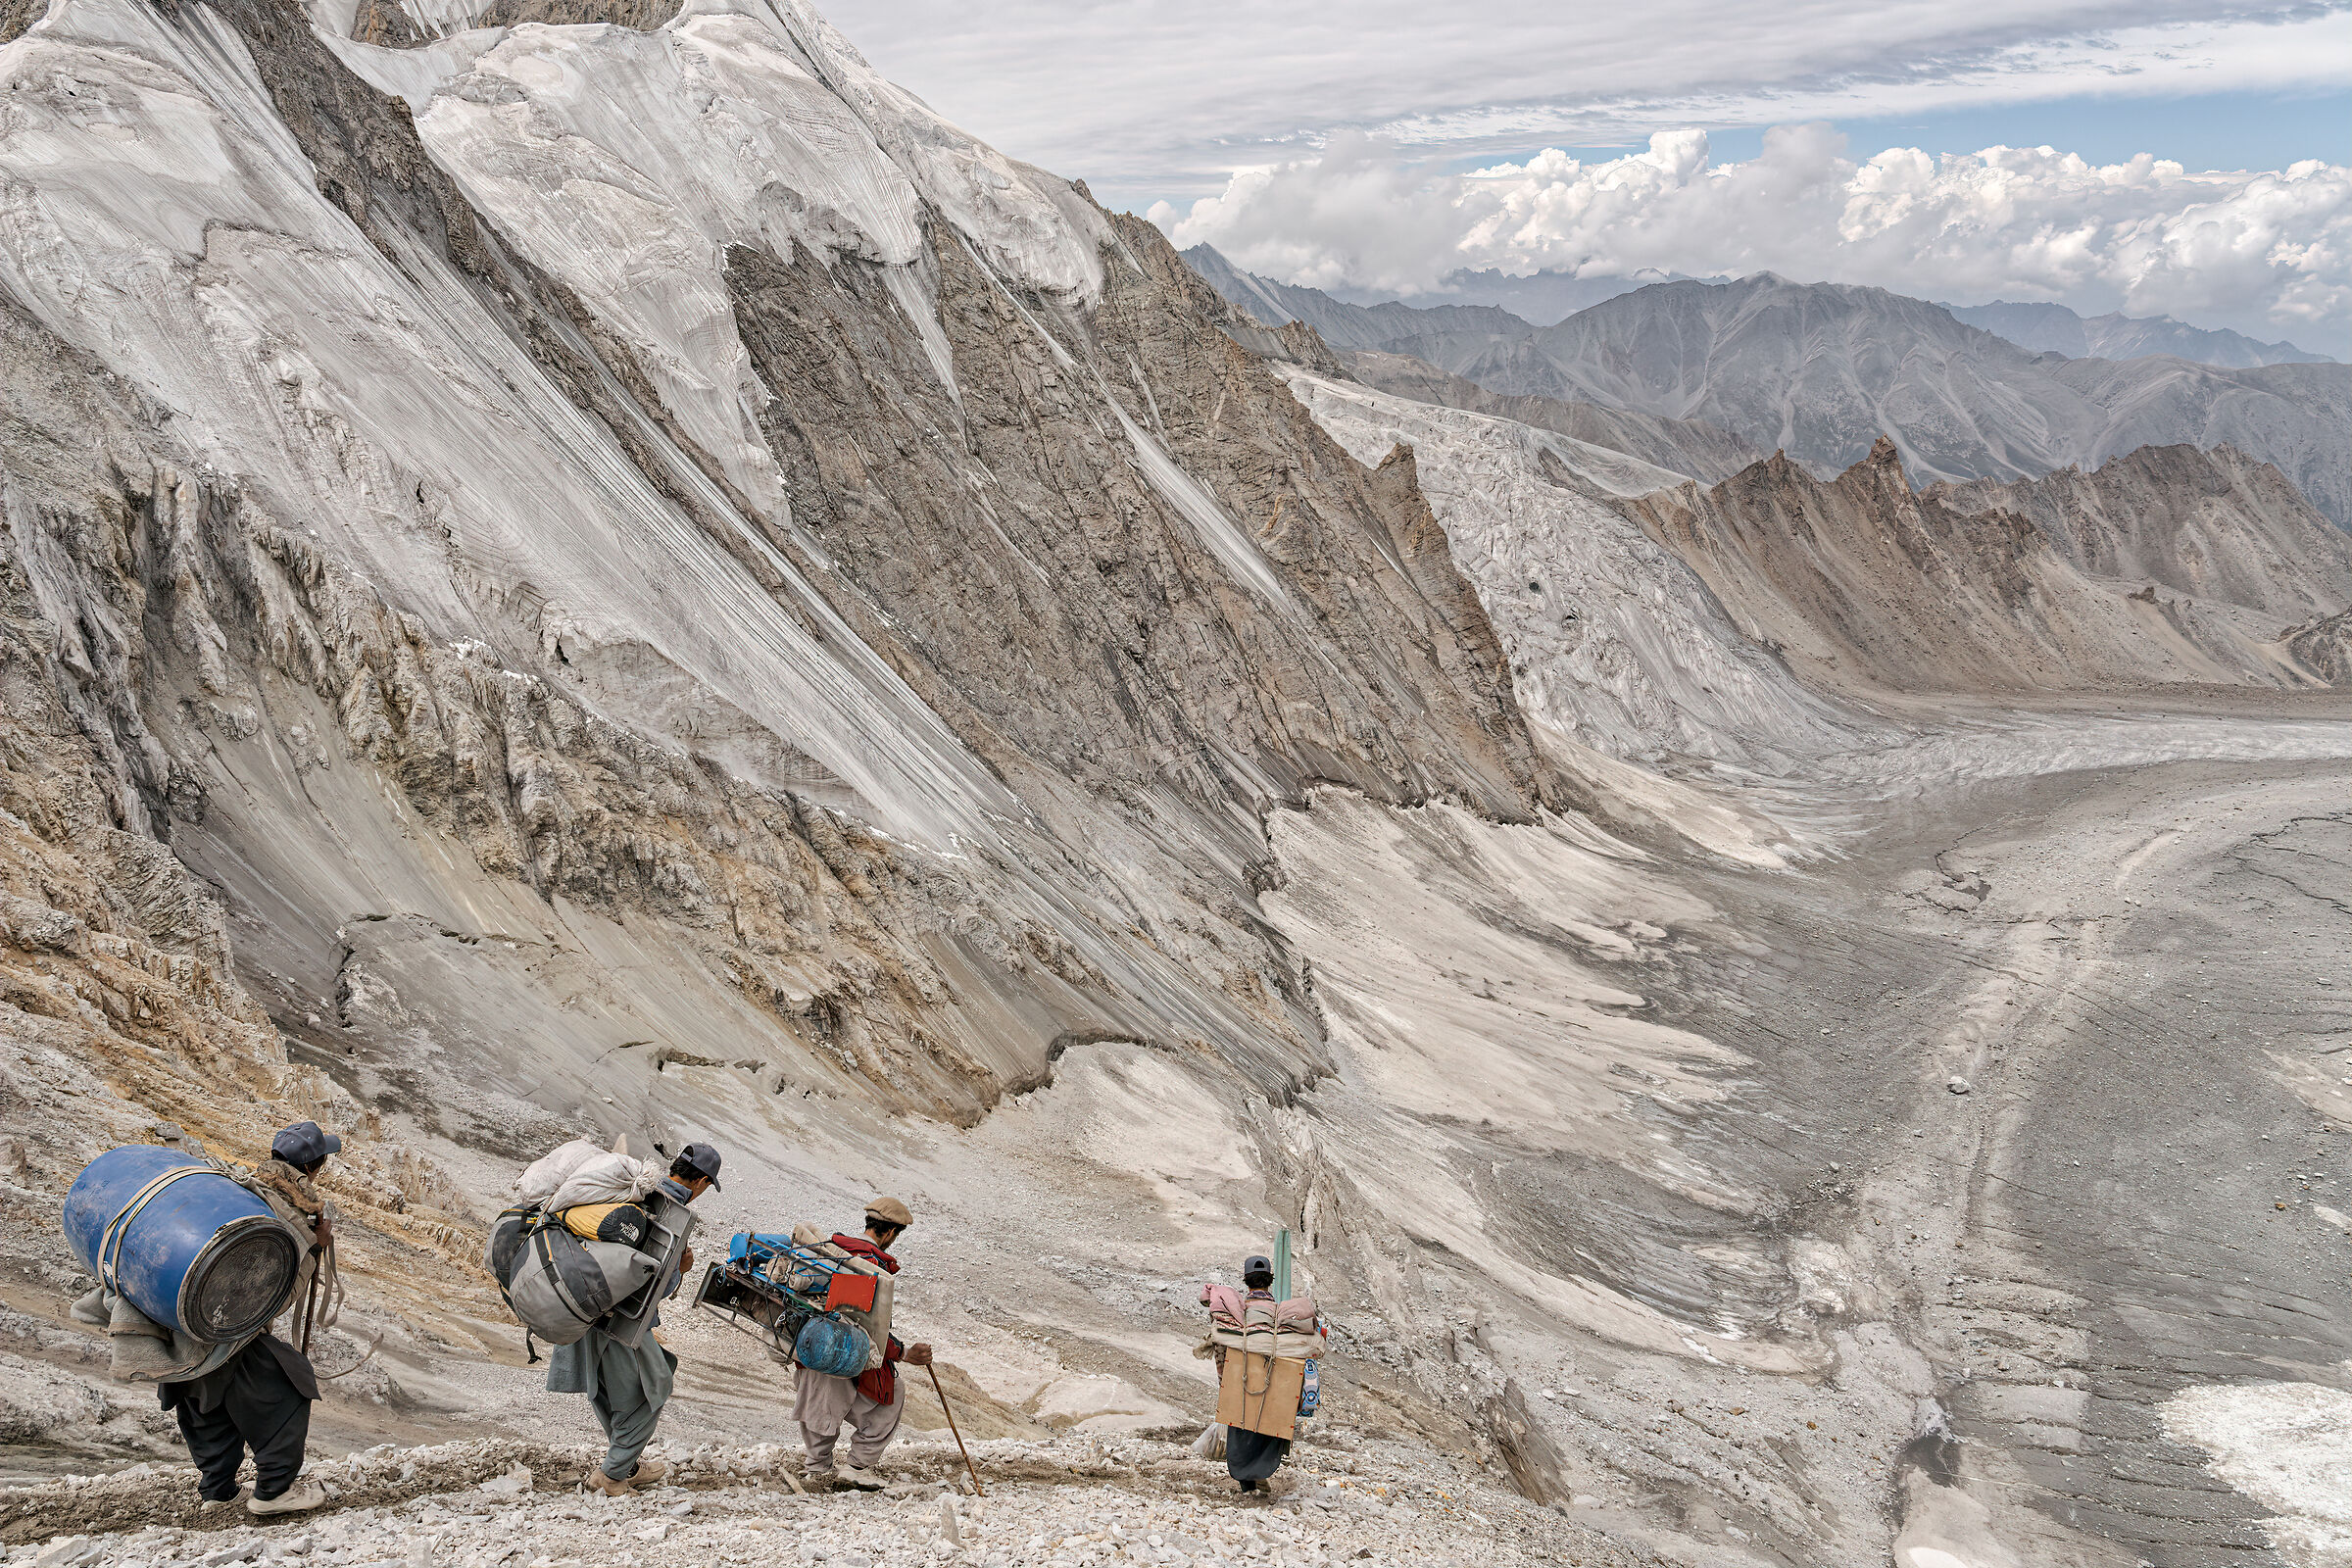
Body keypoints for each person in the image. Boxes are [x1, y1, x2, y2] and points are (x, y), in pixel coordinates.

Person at [160, 1120, 341, 1516]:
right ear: (313, 1167)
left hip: (181, 1324)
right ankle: (274, 1492)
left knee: (206, 1401)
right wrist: (315, 1247)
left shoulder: (240, 1189)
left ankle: (217, 1491)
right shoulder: (290, 1216)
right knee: (289, 1387)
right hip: (231, 1331)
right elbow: (276, 1296)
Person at [548, 1142, 721, 1497]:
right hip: (622, 1320)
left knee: (607, 1390)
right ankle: (611, 1476)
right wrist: (682, 1269)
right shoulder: (674, 1213)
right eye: (707, 1186)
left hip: (584, 1306)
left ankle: (627, 1465)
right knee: (652, 1389)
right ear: (701, 1181)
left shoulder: (635, 1193)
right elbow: (656, 1284)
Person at [793, 1197, 933, 1489]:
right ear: (892, 1233)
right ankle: (856, 1467)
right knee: (892, 1391)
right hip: (844, 1350)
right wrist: (904, 1353)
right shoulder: (871, 1266)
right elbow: (872, 1329)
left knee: (820, 1398)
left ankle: (816, 1466)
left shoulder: (830, 1250)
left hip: (809, 1345)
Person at [1220, 1254, 1290, 1494]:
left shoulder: (1237, 1313)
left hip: (1241, 1381)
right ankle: (1261, 1473)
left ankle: (1246, 1481)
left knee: (1241, 1426)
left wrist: (1224, 1380)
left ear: (1247, 1282)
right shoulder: (1281, 1314)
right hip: (1274, 1383)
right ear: (1270, 1281)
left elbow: (1222, 1349)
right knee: (1268, 1427)